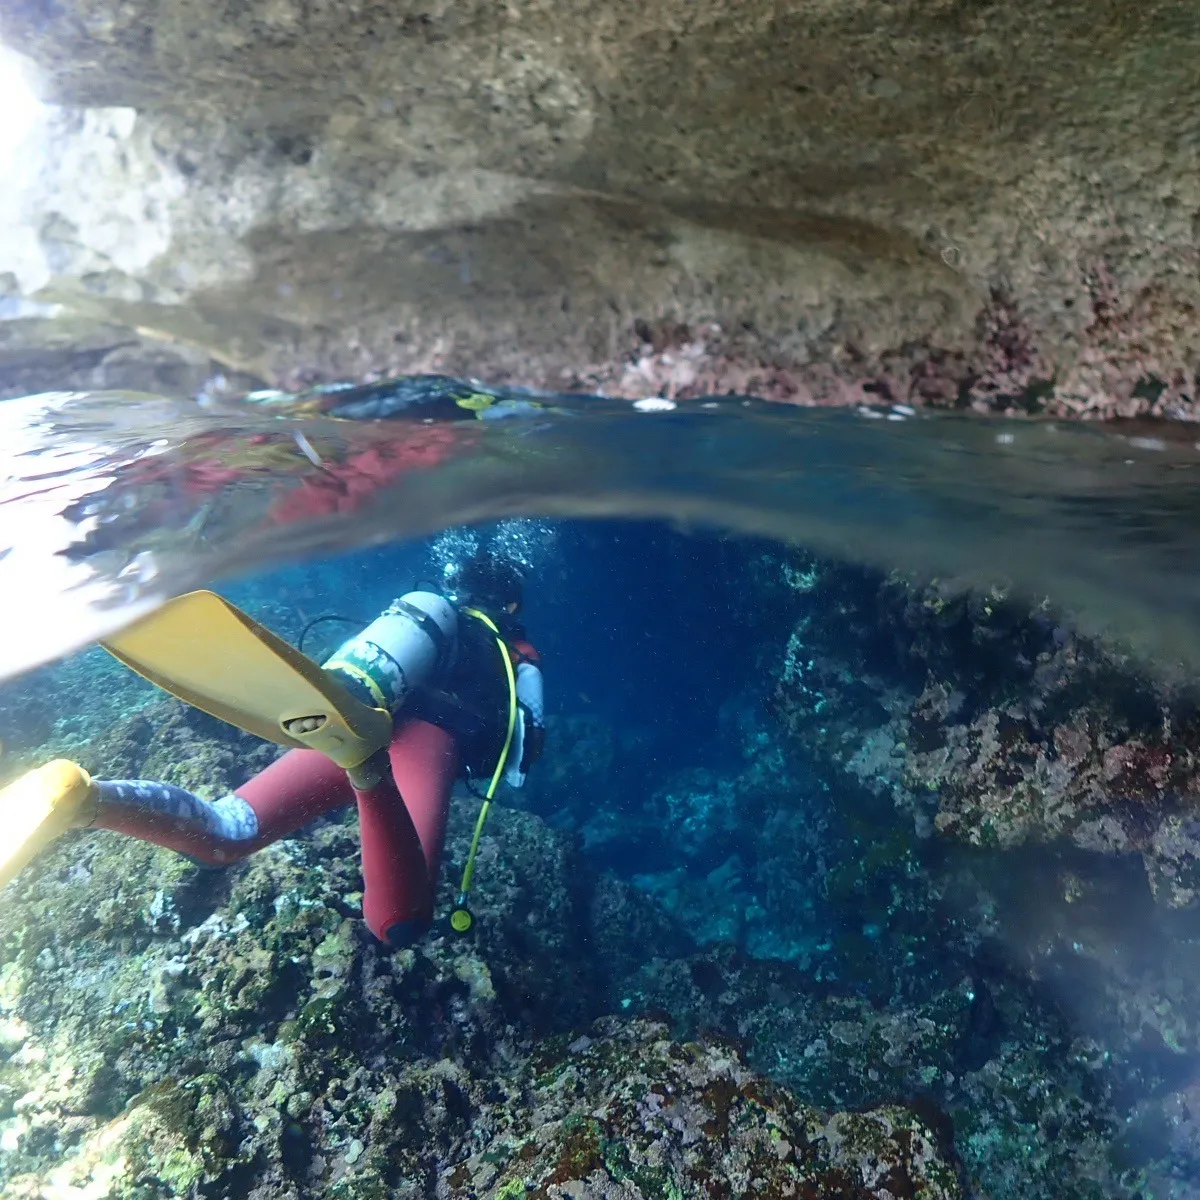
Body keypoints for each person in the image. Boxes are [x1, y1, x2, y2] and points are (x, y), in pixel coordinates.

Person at [0, 552, 545, 948]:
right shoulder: (516, 648)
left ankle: (84, 798)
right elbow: (527, 746)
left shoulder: (431, 622)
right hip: (431, 741)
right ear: (511, 601)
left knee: (225, 833)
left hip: (365, 708)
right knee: (401, 922)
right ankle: (364, 765)